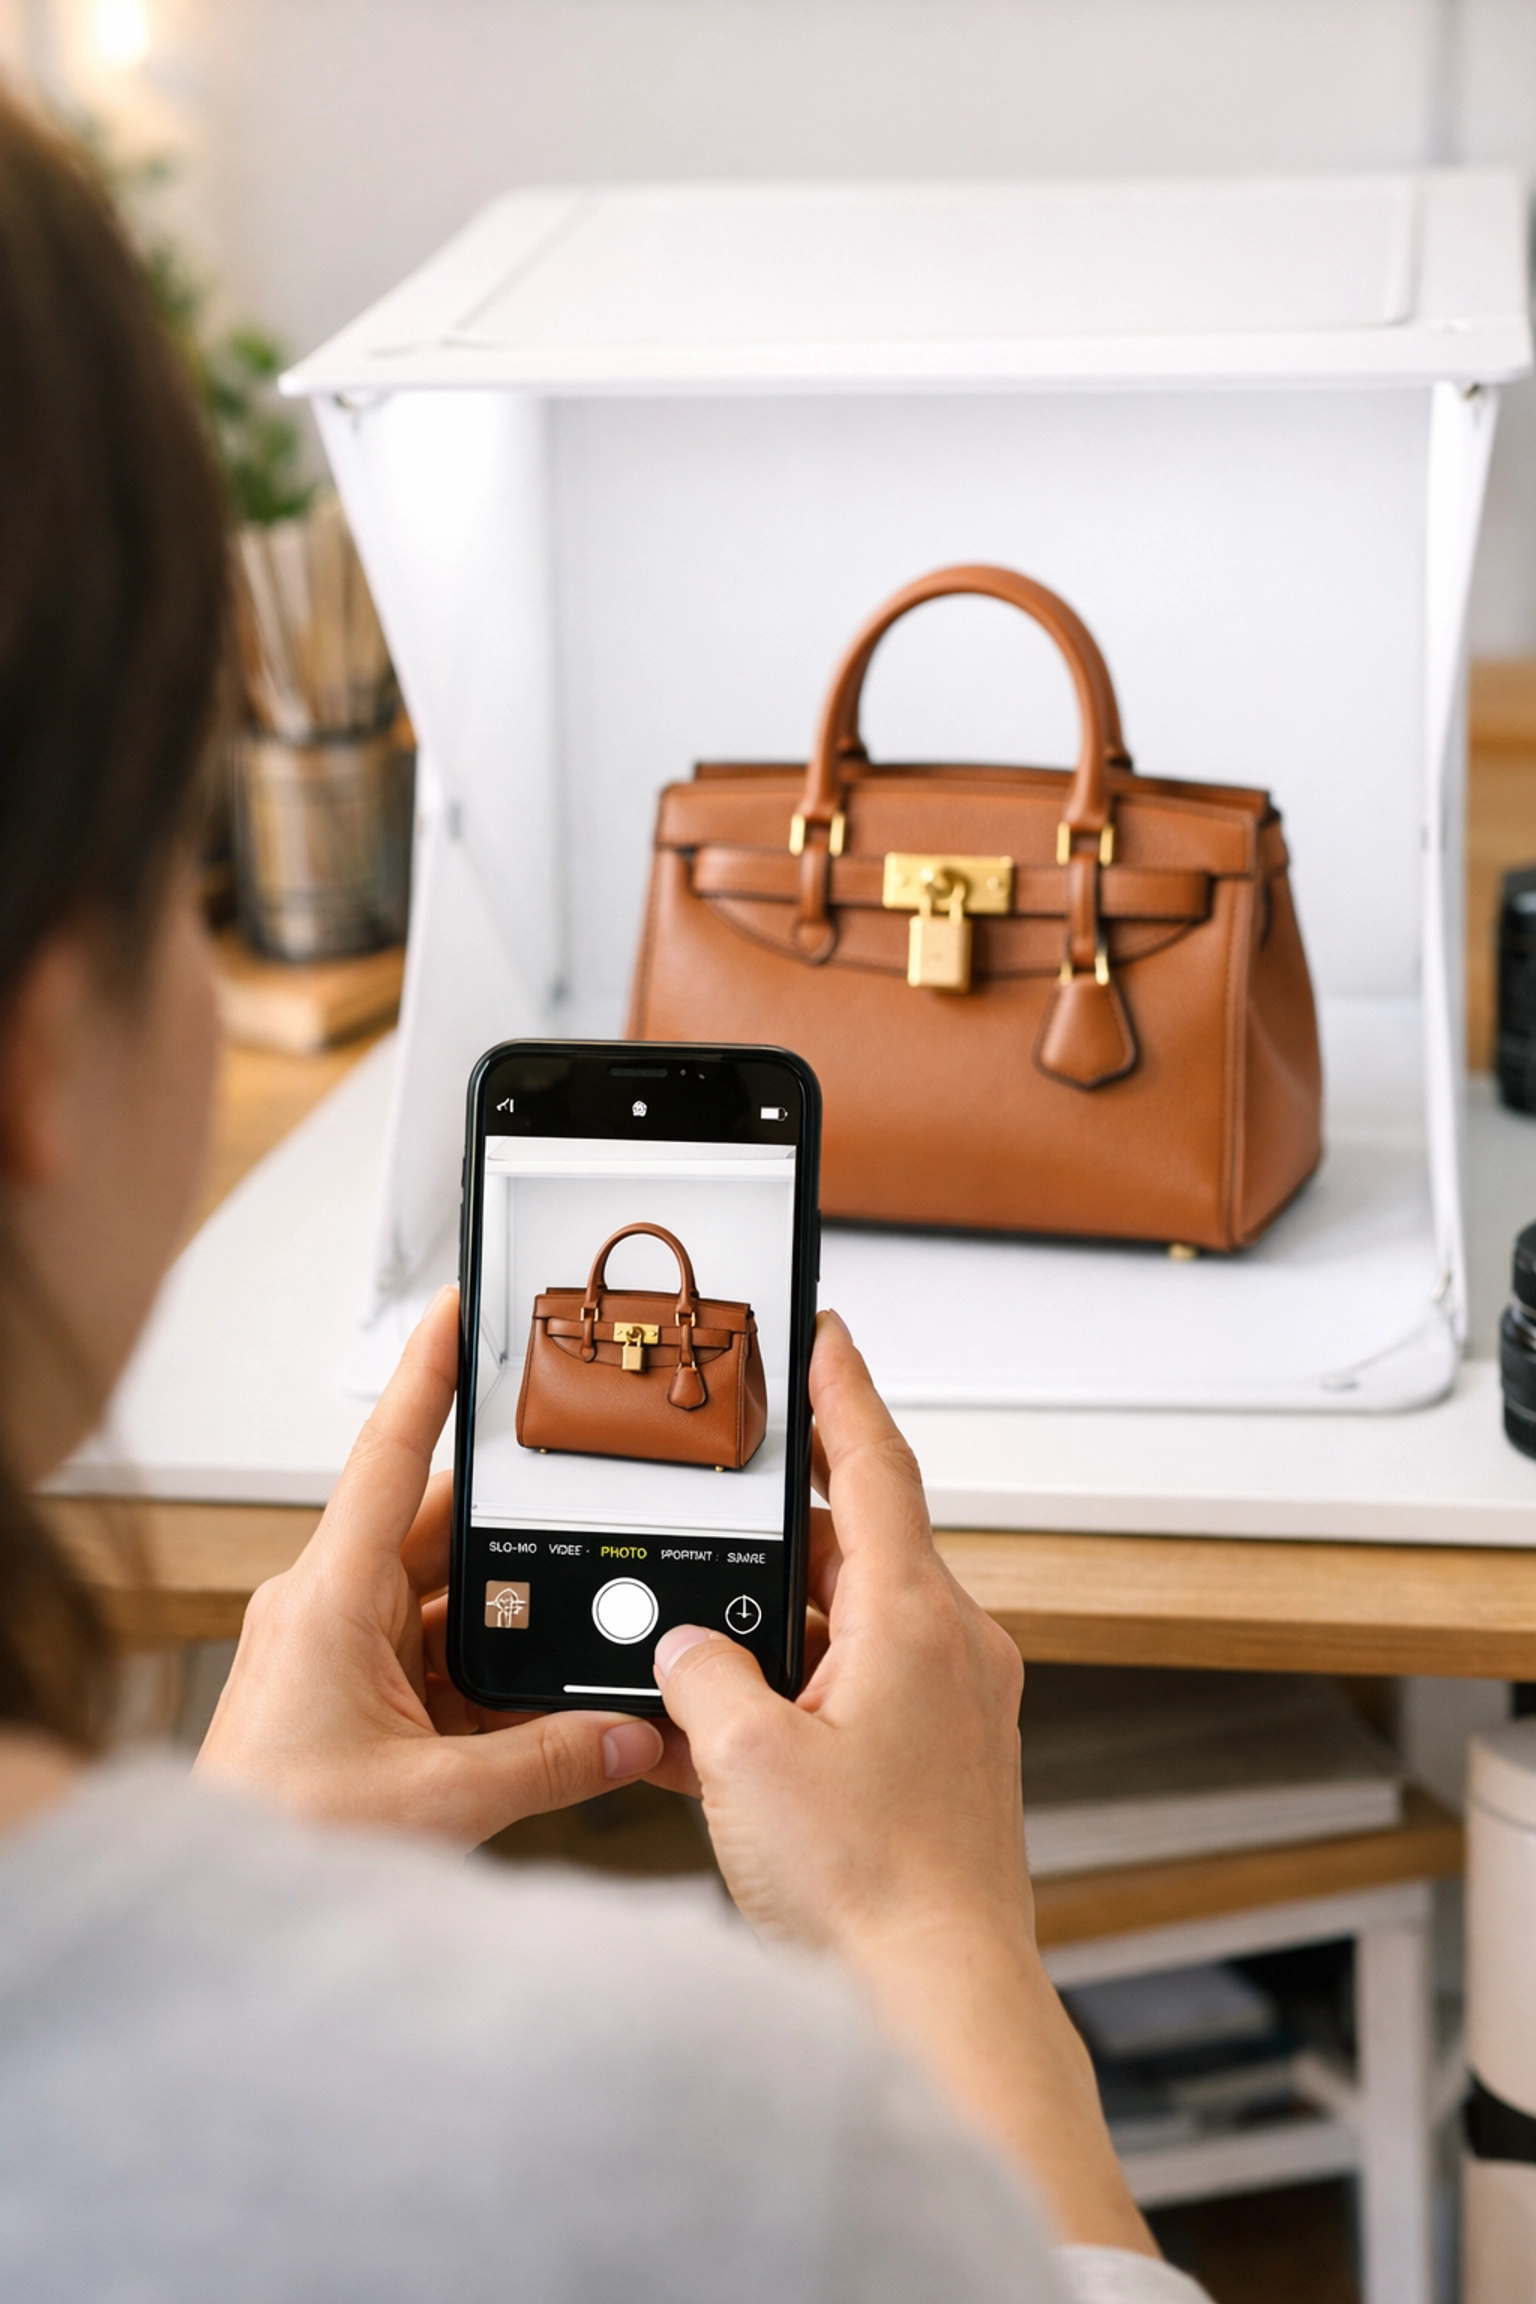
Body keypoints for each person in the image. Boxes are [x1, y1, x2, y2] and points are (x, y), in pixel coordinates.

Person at [0, 94, 1209, 2303]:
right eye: (189, 860)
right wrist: (935, 1933)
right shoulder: (670, 2137)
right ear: (37, 1059)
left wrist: (237, 1851)